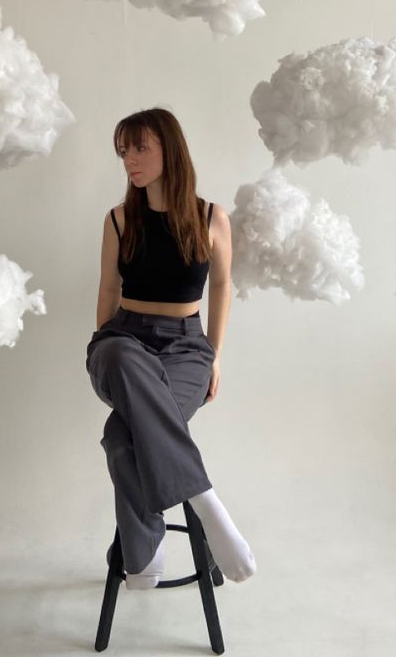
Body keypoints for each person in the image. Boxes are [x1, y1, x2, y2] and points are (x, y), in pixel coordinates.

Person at [86, 108, 256, 590]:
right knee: (120, 357)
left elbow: (221, 286)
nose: (130, 161)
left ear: (169, 149)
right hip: (123, 341)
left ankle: (142, 551)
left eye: (140, 148)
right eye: (123, 152)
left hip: (186, 349)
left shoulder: (210, 217)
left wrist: (214, 355)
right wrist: (108, 344)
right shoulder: (119, 220)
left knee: (124, 437)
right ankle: (204, 499)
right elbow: (106, 294)